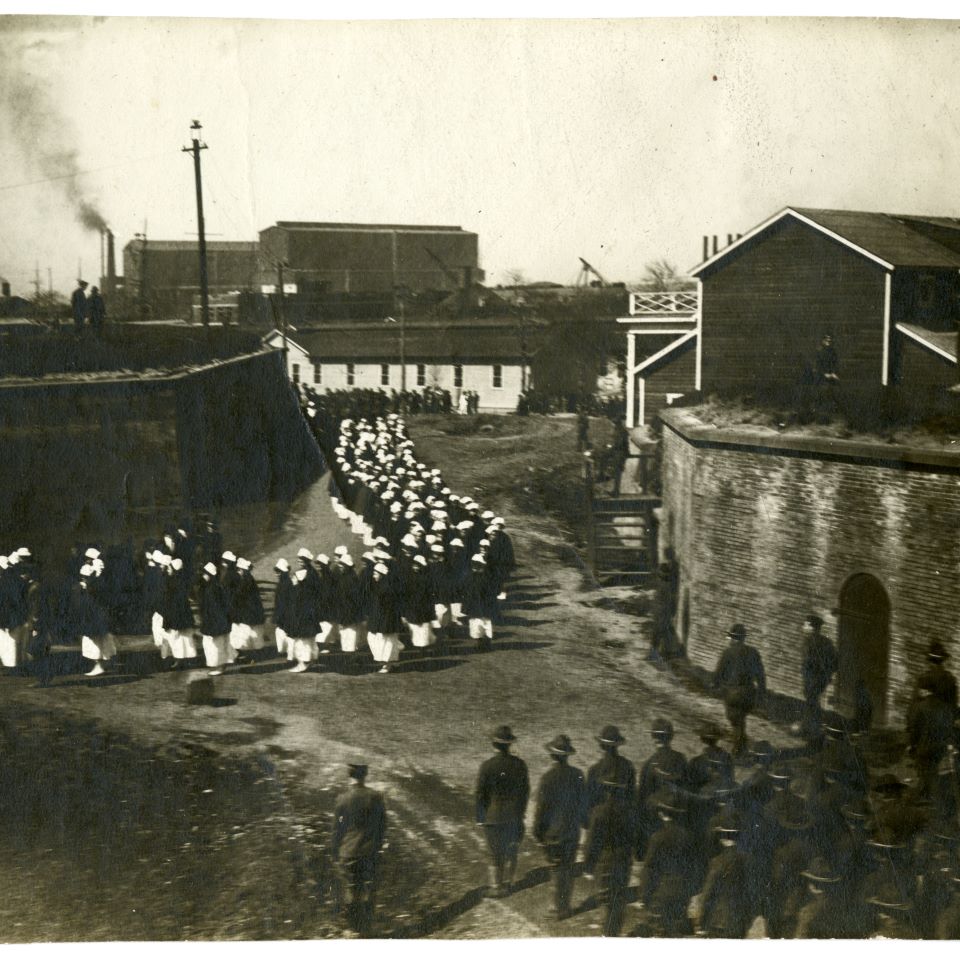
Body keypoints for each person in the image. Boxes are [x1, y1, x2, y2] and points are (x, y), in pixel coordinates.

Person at [533, 734, 586, 921]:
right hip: (572, 832)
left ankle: (556, 910)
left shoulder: (547, 778)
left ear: (552, 756)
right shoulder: (578, 775)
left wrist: (538, 834)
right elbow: (582, 805)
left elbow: (541, 811)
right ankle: (565, 906)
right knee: (568, 869)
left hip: (552, 834)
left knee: (556, 869)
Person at [330, 762, 387, 938]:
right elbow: (382, 825)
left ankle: (352, 930)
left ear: (350, 776)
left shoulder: (342, 799)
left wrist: (334, 852)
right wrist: (377, 846)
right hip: (369, 853)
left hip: (348, 853)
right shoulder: (375, 797)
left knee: (351, 890)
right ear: (365, 775)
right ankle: (366, 930)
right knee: (368, 890)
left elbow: (337, 830)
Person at [475, 725, 530, 898]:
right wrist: (520, 813)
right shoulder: (520, 765)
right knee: (512, 849)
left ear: (494, 744)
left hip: (493, 816)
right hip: (513, 816)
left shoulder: (487, 766)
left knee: (494, 853)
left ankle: (496, 887)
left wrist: (480, 817)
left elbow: (480, 794)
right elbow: (525, 792)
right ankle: (510, 883)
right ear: (509, 744)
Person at [582, 769, 636, 937]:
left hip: (605, 859)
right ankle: (614, 932)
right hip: (624, 859)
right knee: (619, 896)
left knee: (605, 896)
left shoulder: (599, 812)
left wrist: (588, 866)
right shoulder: (630, 810)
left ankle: (607, 933)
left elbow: (591, 843)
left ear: (606, 790)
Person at [712, 623, 767, 757]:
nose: (728, 639)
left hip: (733, 694)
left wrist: (715, 684)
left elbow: (719, 673)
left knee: (735, 720)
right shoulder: (753, 652)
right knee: (740, 719)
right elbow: (760, 674)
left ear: (733, 638)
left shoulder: (727, 652)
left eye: (729, 637)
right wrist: (761, 692)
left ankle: (739, 749)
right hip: (749, 694)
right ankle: (741, 742)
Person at [585, 725, 637, 825]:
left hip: (598, 821)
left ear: (601, 745)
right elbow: (632, 798)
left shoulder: (594, 770)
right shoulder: (628, 766)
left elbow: (589, 803)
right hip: (622, 820)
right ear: (618, 745)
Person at [800, 613, 839, 732]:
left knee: (811, 700)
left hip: (812, 678)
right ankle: (813, 724)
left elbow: (808, 661)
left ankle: (812, 726)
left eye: (806, 625)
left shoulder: (809, 641)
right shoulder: (826, 641)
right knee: (813, 700)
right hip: (821, 678)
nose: (804, 627)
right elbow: (836, 661)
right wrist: (828, 675)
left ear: (811, 627)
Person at [198, 561, 234, 676]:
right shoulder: (215, 587)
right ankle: (220, 665)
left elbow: (214, 609)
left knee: (216, 645)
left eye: (205, 574)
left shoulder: (211, 589)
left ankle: (220, 666)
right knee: (218, 644)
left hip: (215, 622)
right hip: (218, 621)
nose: (203, 576)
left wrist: (215, 624)